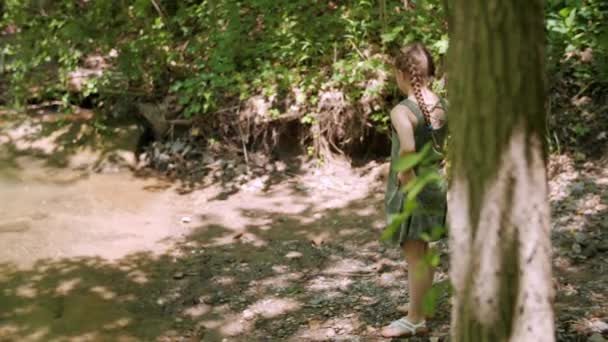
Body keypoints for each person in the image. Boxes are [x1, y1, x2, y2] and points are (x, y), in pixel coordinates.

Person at [381, 42, 448, 338]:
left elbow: (407, 147)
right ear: (431, 73)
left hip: (413, 187)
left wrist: (405, 179)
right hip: (435, 183)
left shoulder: (402, 111)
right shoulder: (443, 106)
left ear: (401, 74)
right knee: (425, 250)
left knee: (414, 256)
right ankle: (423, 306)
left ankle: (415, 319)